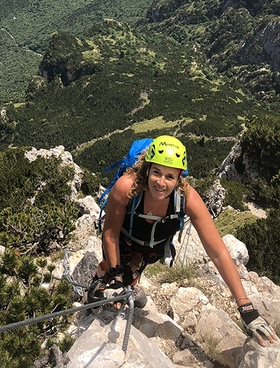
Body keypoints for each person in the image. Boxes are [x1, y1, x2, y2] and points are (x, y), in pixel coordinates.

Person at [89, 135, 278, 347]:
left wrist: (246, 308)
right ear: (147, 169)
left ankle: (130, 284)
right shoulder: (127, 187)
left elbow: (218, 252)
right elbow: (110, 235)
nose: (161, 182)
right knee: (109, 279)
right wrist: (114, 277)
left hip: (151, 248)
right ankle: (100, 281)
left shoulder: (188, 198)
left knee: (131, 274)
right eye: (157, 172)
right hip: (123, 240)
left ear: (179, 177)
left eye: (170, 176)